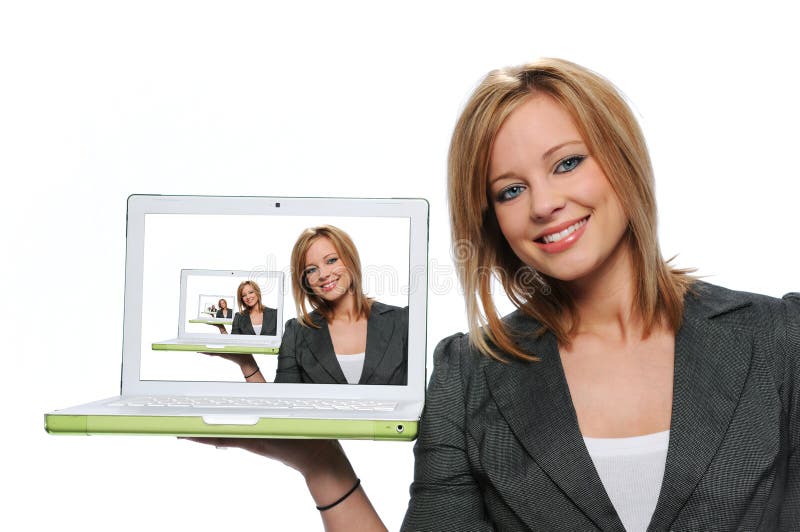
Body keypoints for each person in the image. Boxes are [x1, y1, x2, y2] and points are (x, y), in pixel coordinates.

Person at [189, 58, 800, 530]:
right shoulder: (469, 374)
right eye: (509, 191)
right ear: (491, 222)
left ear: (621, 157)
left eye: (566, 163)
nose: (543, 204)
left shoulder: (779, 339)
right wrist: (321, 467)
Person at [233, 224, 408, 385]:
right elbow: (282, 409)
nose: (323, 274)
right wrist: (245, 362)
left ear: (350, 259)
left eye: (331, 260)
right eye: (311, 270)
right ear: (305, 280)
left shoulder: (403, 321)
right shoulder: (296, 332)